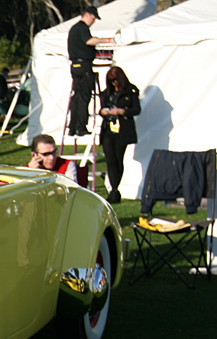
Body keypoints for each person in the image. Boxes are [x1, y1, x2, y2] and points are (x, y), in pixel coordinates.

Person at [98, 66, 140, 204]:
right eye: (111, 81)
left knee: (118, 159)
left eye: (116, 81)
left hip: (122, 129)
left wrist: (122, 111)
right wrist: (103, 112)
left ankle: (115, 189)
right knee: (110, 160)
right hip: (108, 129)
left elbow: (136, 109)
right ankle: (114, 190)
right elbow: (102, 107)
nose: (114, 84)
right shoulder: (106, 93)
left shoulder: (131, 91)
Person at [67, 6, 106, 136]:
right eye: (93, 18)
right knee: (84, 96)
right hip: (84, 66)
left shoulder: (74, 29)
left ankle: (72, 126)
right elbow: (89, 41)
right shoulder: (82, 28)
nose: (93, 22)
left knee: (76, 97)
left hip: (75, 66)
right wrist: (106, 40)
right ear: (87, 15)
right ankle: (81, 127)